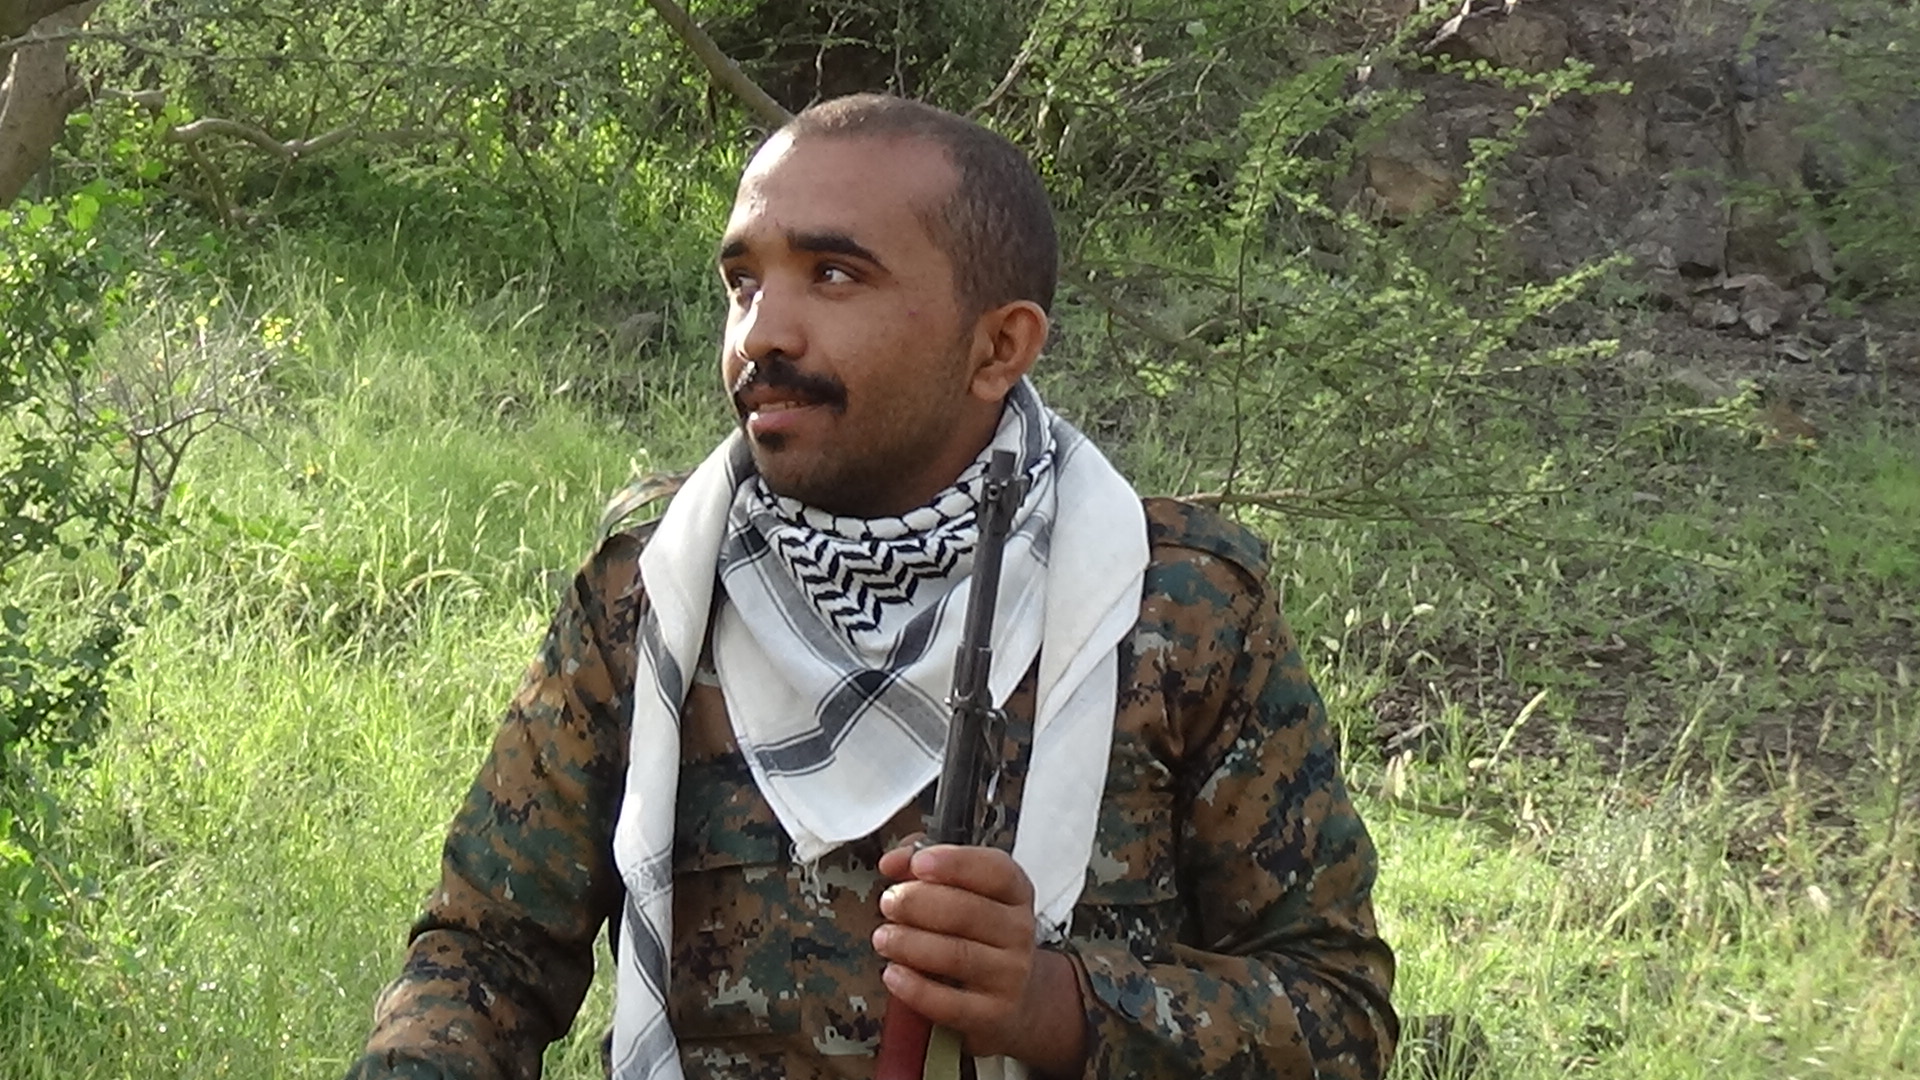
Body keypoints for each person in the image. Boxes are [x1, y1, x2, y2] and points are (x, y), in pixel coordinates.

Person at [345, 93, 1396, 1080]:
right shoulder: (648, 598)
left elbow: (1338, 1014)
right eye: (743, 283)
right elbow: (482, 958)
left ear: (999, 347)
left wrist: (1058, 1005)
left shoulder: (1176, 607)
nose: (761, 334)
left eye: (834, 275)